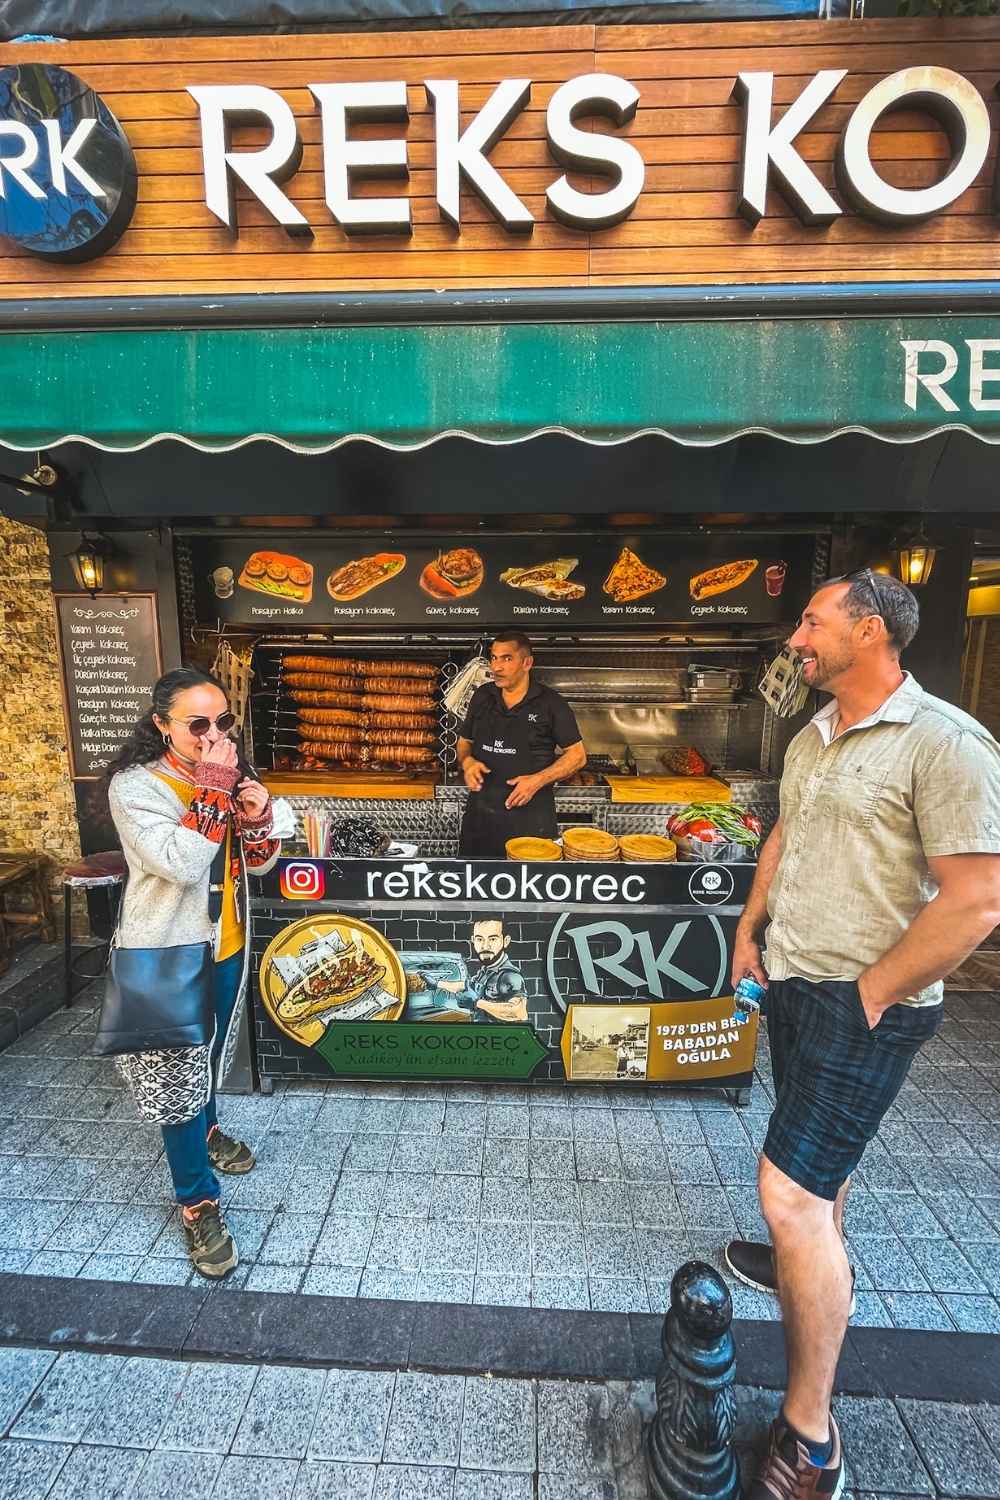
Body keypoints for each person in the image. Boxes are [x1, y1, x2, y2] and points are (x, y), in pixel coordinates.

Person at [725, 570, 1000, 1498]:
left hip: (865, 1004)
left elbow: (977, 901)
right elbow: (783, 839)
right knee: (818, 1180)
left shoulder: (947, 743)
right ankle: (814, 1256)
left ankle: (811, 1438)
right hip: (796, 983)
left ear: (871, 630)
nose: (797, 635)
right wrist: (749, 928)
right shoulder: (813, 735)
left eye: (812, 618)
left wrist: (874, 994)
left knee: (787, 1194)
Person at [102, 667, 281, 1280]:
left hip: (225, 943)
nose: (213, 734)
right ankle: (196, 1203)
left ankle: (207, 1134)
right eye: (197, 724)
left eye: (223, 722)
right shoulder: (135, 787)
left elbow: (256, 866)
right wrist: (215, 785)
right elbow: (180, 862)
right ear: (162, 725)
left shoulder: (227, 777)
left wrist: (256, 817)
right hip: (164, 951)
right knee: (174, 1080)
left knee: (204, 1058)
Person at [457, 632, 586, 857]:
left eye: (506, 658)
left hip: (530, 823)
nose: (496, 667)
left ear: (527, 663)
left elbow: (577, 756)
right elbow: (464, 741)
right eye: (494, 658)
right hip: (479, 821)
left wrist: (536, 781)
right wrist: (467, 761)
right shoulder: (482, 696)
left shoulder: (551, 704)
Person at [436, 916, 529, 1023]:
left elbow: (518, 1013)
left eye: (492, 939)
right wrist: (437, 983)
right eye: (479, 939)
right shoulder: (486, 971)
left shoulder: (509, 975)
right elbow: (466, 986)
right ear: (473, 941)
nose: (485, 946)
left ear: (505, 941)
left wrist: (477, 1002)